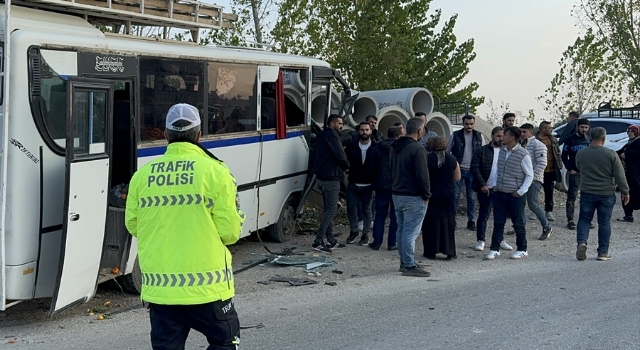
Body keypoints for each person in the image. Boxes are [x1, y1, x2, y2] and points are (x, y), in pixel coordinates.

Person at [125, 103, 244, 350]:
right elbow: (230, 233)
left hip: (161, 293)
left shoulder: (141, 176)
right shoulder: (216, 172)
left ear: (166, 135)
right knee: (226, 341)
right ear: (199, 135)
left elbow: (134, 226)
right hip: (208, 291)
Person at [575, 127, 630, 261]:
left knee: (584, 219)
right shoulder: (611, 154)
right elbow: (619, 175)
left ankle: (582, 242)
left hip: (587, 191)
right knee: (604, 222)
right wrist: (625, 191)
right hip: (606, 193)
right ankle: (602, 252)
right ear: (604, 138)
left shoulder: (581, 153)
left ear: (590, 137)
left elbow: (578, 167)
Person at [485, 126, 534, 260]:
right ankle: (494, 249)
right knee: (498, 222)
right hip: (500, 193)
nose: (502, 137)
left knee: (518, 223)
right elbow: (498, 170)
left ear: (512, 138)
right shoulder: (502, 151)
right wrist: (495, 185)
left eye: (504, 135)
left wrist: (520, 191)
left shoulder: (523, 155)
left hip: (514, 194)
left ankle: (522, 249)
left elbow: (529, 175)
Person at [391, 117, 431, 277]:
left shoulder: (395, 147)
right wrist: (426, 193)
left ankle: (404, 260)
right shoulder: (417, 149)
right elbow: (422, 174)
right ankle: (408, 265)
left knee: (401, 230)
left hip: (397, 193)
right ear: (420, 130)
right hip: (413, 195)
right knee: (410, 232)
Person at [470, 127, 513, 252]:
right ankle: (480, 240)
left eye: (503, 136)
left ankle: (500, 240)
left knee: (500, 217)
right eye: (498, 136)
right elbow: (475, 168)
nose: (501, 139)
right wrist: (482, 184)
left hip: (501, 189)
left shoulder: (507, 151)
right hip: (486, 189)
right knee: (484, 215)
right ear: (493, 135)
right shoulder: (481, 151)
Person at [312, 114, 350, 253]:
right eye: (340, 123)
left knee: (327, 208)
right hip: (331, 178)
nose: (342, 126)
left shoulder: (321, 135)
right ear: (332, 124)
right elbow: (339, 153)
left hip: (321, 178)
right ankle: (318, 241)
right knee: (331, 209)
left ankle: (331, 240)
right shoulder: (333, 135)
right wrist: (346, 166)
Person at [421, 136, 461, 260]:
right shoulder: (452, 159)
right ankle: (449, 251)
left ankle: (431, 251)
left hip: (432, 194)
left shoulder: (427, 159)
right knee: (448, 222)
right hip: (448, 194)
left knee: (431, 222)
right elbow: (457, 177)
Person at [446, 115, 485, 230]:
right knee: (455, 196)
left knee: (471, 197)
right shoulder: (455, 135)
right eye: (467, 124)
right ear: (463, 124)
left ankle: (471, 220)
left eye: (471, 124)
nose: (469, 126)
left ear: (474, 124)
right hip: (458, 169)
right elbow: (447, 151)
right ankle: (452, 220)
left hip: (473, 170)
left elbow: (483, 152)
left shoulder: (479, 136)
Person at [345, 122, 377, 246]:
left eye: (367, 130)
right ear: (359, 131)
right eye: (362, 130)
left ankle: (365, 234)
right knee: (351, 208)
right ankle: (353, 231)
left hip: (368, 184)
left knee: (367, 210)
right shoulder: (352, 146)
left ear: (371, 131)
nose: (364, 132)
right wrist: (347, 168)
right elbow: (344, 158)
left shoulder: (375, 146)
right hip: (353, 182)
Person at [370, 126, 401, 250]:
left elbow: (372, 167)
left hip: (381, 185)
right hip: (397, 186)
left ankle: (377, 242)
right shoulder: (400, 148)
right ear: (398, 136)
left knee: (380, 215)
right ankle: (392, 243)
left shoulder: (377, 148)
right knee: (395, 216)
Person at [520, 123, 553, 240]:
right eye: (521, 132)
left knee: (533, 204)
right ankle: (520, 226)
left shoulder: (538, 145)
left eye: (524, 132)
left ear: (531, 133)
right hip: (522, 179)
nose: (522, 134)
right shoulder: (521, 144)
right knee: (520, 203)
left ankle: (547, 226)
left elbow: (542, 163)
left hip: (534, 180)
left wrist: (531, 178)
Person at [562, 118, 592, 230]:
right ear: (577, 127)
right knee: (572, 196)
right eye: (582, 127)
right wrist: (570, 169)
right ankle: (570, 220)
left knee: (587, 197)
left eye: (586, 127)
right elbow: (564, 156)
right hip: (575, 172)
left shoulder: (590, 139)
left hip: (587, 173)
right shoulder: (570, 140)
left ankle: (586, 219)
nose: (584, 130)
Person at [536, 121, 563, 222]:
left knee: (549, 191)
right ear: (543, 129)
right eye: (549, 128)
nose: (551, 130)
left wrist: (560, 164)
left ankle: (548, 211)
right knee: (535, 191)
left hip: (550, 170)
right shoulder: (535, 140)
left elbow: (558, 153)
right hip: (538, 170)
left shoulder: (553, 139)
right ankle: (534, 210)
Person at [618, 125, 640, 222]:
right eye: (629, 131)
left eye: (633, 131)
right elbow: (620, 152)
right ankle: (628, 215)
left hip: (636, 173)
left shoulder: (638, 141)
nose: (630, 133)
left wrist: (626, 155)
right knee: (626, 192)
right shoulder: (629, 143)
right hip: (628, 173)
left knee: (636, 193)